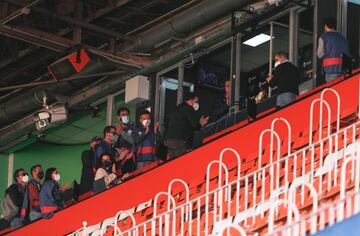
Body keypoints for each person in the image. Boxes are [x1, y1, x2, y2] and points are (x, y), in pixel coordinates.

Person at [165, 93, 209, 159]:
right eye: (196, 101)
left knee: (173, 163)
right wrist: (200, 124)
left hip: (169, 141)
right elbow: (194, 125)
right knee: (183, 161)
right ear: (190, 101)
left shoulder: (178, 108)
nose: (197, 104)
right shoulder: (188, 108)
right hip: (179, 140)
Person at [317, 17, 351, 82]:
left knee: (332, 90)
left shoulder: (323, 37)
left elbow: (320, 55)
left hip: (330, 70)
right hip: (343, 71)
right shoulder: (343, 38)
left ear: (326, 26)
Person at [115, 107, 136, 174]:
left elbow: (134, 141)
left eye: (127, 114)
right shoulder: (116, 129)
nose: (125, 116)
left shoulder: (134, 126)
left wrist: (122, 132)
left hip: (131, 157)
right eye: (123, 115)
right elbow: (114, 145)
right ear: (119, 117)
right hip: (121, 160)